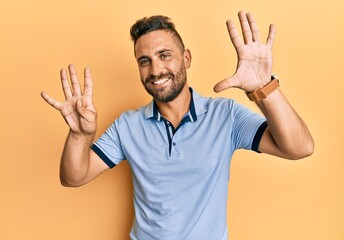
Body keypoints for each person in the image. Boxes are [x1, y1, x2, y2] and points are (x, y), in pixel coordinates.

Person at [41, 11, 314, 240]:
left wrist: (265, 88)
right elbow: (73, 177)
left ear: (186, 59)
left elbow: (300, 147)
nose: (155, 70)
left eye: (164, 55)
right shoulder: (128, 125)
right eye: (144, 61)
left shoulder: (225, 116)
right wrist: (79, 135)